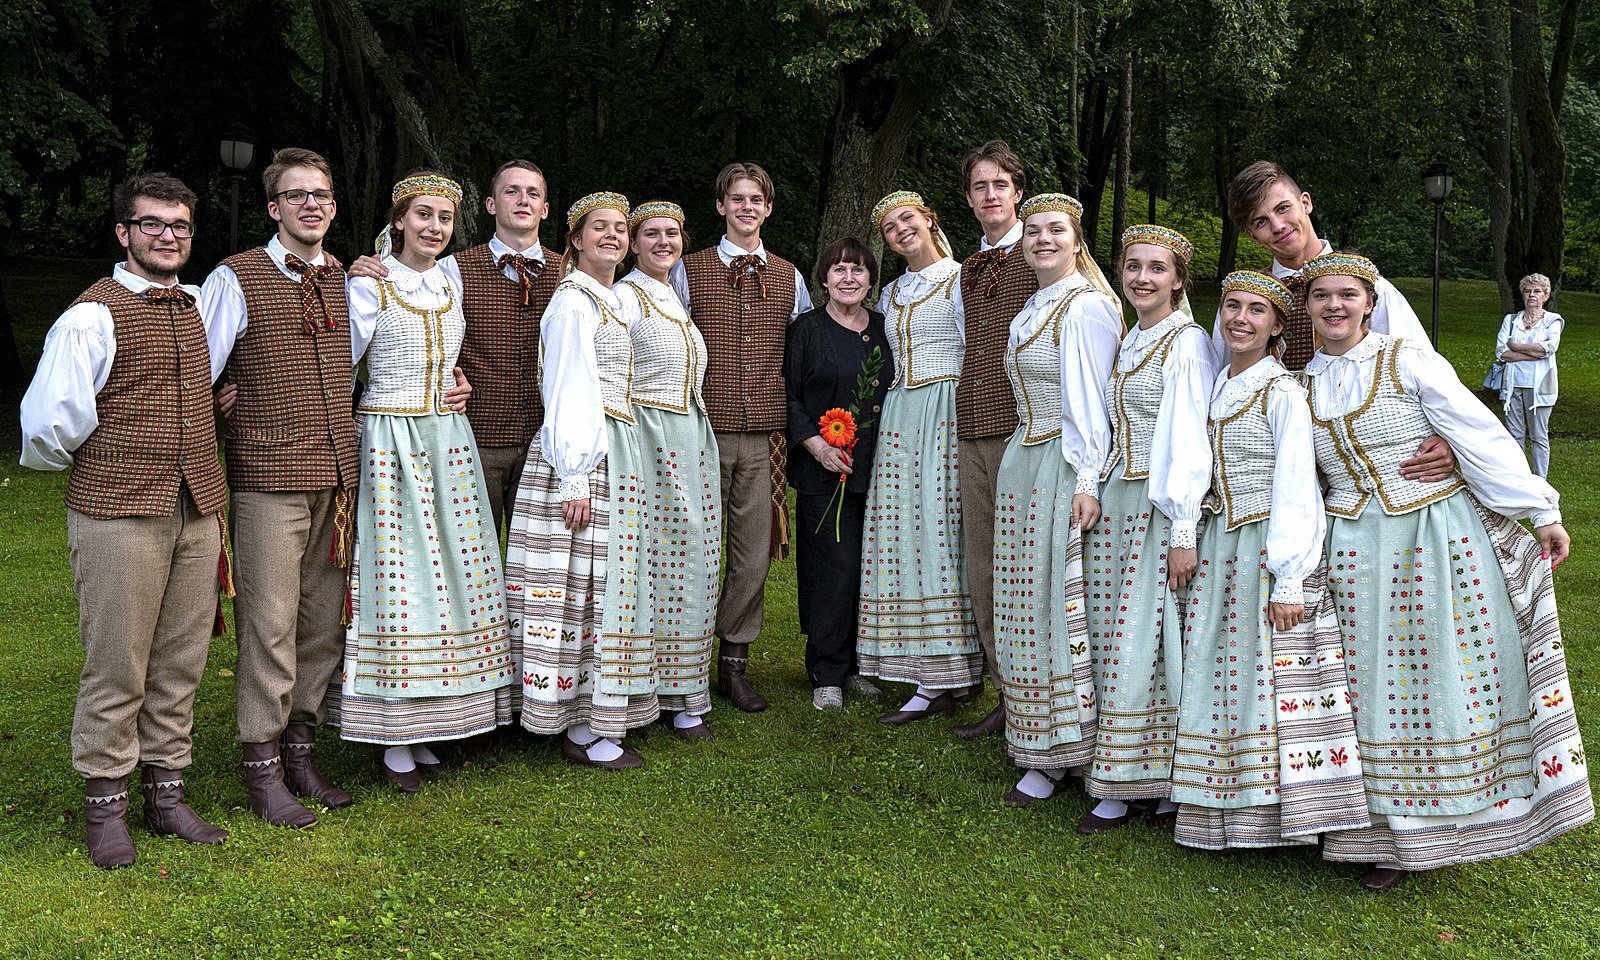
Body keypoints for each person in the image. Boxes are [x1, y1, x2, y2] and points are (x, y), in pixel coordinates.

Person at [1298, 252, 1590, 891]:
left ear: (1369, 303)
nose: (1335, 306)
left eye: (1347, 295)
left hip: (1429, 536)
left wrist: (1539, 509)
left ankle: (1435, 825)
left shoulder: (1408, 357)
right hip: (1350, 547)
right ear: (1308, 305)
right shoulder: (1303, 383)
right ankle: (1372, 830)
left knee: (1428, 679)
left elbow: (1475, 429)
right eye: (1322, 296)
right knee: (1368, 684)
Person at [20, 172, 231, 867]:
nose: (168, 236)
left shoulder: (200, 305)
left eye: (179, 225)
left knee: (181, 658)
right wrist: (115, 456)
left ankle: (166, 793)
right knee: (118, 662)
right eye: (152, 224)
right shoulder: (92, 315)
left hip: (198, 505)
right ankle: (106, 804)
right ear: (123, 233)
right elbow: (50, 426)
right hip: (117, 511)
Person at [1170, 270, 1370, 851]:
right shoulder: (1219, 384)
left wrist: (1289, 578)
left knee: (1267, 676)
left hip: (1264, 545)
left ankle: (1273, 816)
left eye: (1257, 311)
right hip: (1222, 543)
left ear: (1279, 326)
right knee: (1220, 671)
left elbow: (1296, 485)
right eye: (1232, 306)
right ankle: (1219, 808)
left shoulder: (1280, 392)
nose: (1239, 318)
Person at [333, 172, 514, 792]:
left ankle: (438, 719)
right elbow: (340, 363)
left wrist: (458, 382)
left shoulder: (446, 281)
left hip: (446, 438)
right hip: (390, 437)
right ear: (400, 220)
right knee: (400, 579)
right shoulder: (369, 282)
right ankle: (393, 733)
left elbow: (448, 354)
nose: (434, 227)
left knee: (454, 580)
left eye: (443, 217)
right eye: (423, 215)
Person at [199, 147, 359, 828]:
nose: (311, 205)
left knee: (323, 626)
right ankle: (261, 765)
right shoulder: (236, 277)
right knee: (270, 625)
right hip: (268, 476)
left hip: (338, 479)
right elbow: (194, 368)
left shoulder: (349, 277)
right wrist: (222, 407)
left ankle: (301, 748)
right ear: (274, 207)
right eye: (296, 196)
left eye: (320, 194)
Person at [505, 191, 659, 770]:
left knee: (602, 589)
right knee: (580, 589)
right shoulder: (573, 302)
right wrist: (574, 476)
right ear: (574, 239)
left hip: (612, 448)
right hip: (582, 454)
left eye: (621, 228)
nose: (614, 236)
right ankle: (576, 723)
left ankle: (594, 711)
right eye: (600, 228)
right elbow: (569, 386)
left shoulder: (610, 298)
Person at [1079, 224, 1214, 833]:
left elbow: (1188, 438)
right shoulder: (1136, 336)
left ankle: (1147, 778)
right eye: (1132, 266)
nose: (1141, 278)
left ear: (1178, 281)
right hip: (1120, 496)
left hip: (1159, 506)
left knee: (1155, 639)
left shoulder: (1185, 342)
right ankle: (1137, 768)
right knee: (1124, 638)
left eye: (1156, 269)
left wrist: (1183, 529)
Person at [348, 160, 562, 542]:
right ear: (490, 204)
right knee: (463, 554)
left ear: (546, 209)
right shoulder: (450, 271)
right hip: (475, 440)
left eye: (533, 193)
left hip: (545, 442)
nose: (523, 201)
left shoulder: (568, 274)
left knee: (538, 566)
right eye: (511, 191)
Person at [991, 194, 1122, 807]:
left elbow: (1094, 403)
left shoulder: (1089, 306)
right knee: (1027, 600)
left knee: (1064, 605)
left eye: (1056, 231)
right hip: (1027, 457)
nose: (1042, 239)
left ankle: (1078, 746)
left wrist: (1089, 479)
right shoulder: (1033, 306)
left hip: (1067, 462)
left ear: (1077, 242)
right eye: (1034, 230)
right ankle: (1039, 740)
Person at [671, 162, 814, 713]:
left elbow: (800, 350)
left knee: (753, 555)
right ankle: (682, 658)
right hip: (702, 429)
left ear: (768, 208)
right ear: (721, 207)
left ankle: (734, 662)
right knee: (695, 552)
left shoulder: (789, 275)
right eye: (737, 198)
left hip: (765, 437)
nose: (747, 207)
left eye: (757, 199)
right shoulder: (690, 268)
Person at [858, 191, 982, 725]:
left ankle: (953, 672)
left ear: (929, 220)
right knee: (902, 535)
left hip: (945, 409)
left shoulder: (958, 280)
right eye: (889, 228)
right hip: (901, 414)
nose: (900, 231)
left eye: (907, 219)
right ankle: (923, 667)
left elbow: (973, 349)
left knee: (940, 533)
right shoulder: (891, 292)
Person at [616, 200, 721, 741]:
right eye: (651, 234)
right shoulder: (625, 296)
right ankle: (645, 689)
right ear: (633, 244)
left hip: (688, 437)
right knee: (652, 567)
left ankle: (685, 689)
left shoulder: (672, 297)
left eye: (672, 234)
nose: (663, 242)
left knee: (697, 563)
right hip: (649, 440)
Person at [951, 141, 1040, 740]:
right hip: (972, 429)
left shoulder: (1043, 255)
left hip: (1024, 430)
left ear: (1017, 192)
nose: (990, 195)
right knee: (981, 564)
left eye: (999, 185)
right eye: (980, 186)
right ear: (969, 199)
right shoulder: (964, 269)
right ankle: (1005, 690)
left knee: (1025, 566)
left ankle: (1041, 688)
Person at [784, 238, 893, 711]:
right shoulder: (807, 330)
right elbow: (787, 397)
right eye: (839, 270)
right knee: (834, 566)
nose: (848, 278)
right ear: (823, 278)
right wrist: (816, 447)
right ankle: (826, 669)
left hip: (880, 466)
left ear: (871, 279)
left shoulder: (887, 330)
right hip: (823, 468)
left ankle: (856, 665)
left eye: (858, 270)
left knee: (867, 568)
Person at [1496, 273, 1562, 477]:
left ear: (1546, 296)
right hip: (1512, 386)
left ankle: (1540, 480)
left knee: (1538, 436)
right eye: (1528, 291)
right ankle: (1520, 478)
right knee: (1514, 435)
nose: (1532, 295)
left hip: (1540, 388)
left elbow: (1549, 348)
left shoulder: (1553, 321)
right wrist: (1532, 353)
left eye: (1537, 291)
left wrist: (1517, 347)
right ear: (1523, 295)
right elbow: (1501, 352)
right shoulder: (1511, 320)